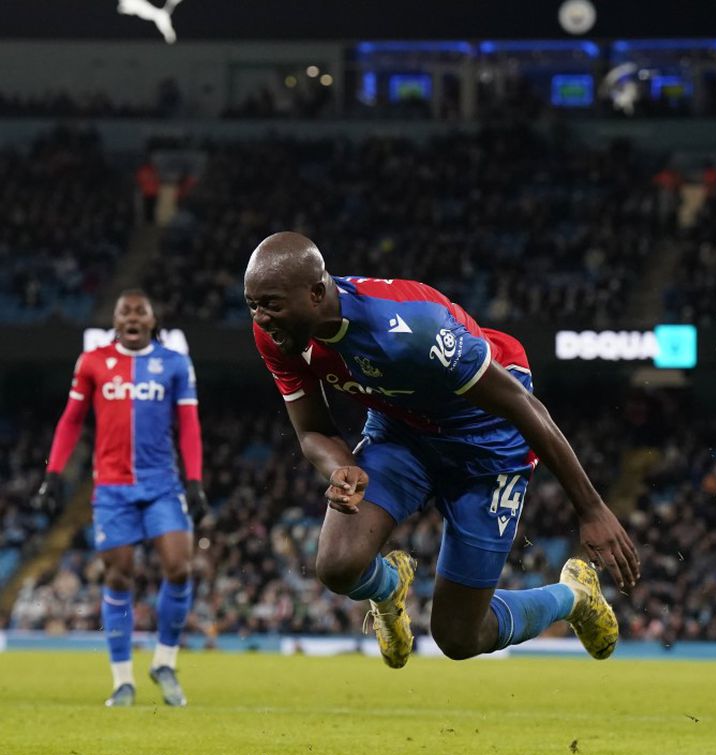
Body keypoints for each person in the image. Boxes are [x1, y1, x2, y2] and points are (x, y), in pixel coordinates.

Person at [243, 232, 638, 669]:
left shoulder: (409, 330)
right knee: (337, 565)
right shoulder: (277, 334)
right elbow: (313, 430)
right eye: (252, 305)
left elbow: (523, 407)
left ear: (316, 293)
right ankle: (389, 588)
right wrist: (339, 468)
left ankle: (574, 596)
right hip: (402, 428)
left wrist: (590, 508)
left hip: (487, 437)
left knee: (459, 637)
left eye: (271, 305)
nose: (260, 318)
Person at [34, 289, 207, 707]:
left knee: (179, 567)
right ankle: (122, 681)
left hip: (162, 484)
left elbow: (189, 426)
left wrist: (195, 481)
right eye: (124, 311)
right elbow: (71, 420)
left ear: (151, 320)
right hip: (112, 488)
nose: (131, 316)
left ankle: (164, 662)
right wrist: (53, 474)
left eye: (139, 311)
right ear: (115, 321)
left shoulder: (174, 363)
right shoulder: (92, 362)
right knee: (118, 576)